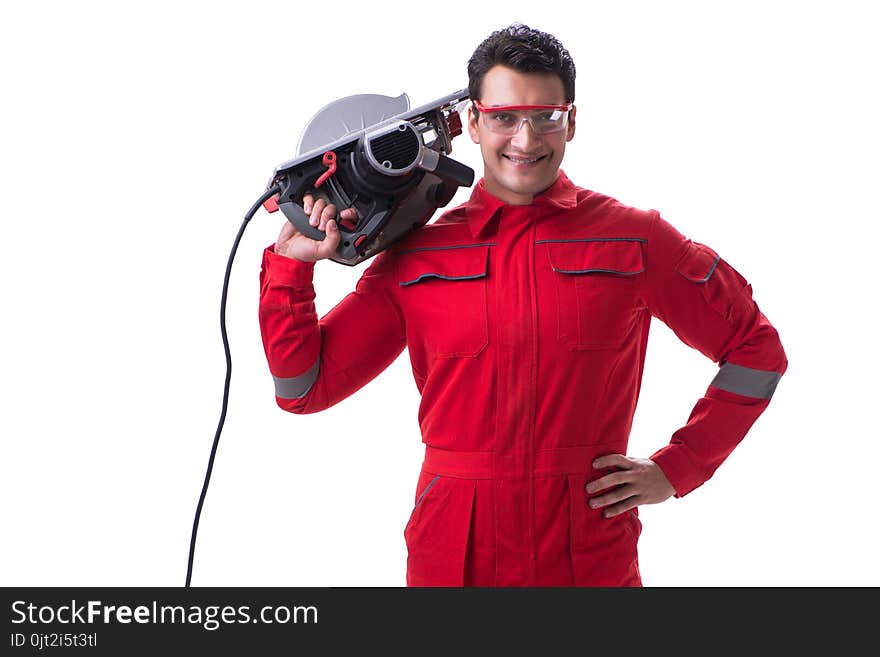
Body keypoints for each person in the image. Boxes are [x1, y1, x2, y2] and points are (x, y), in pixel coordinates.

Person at [258, 23, 787, 586]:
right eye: (505, 117)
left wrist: (677, 468)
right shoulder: (416, 257)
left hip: (587, 559)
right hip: (454, 558)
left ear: (572, 121)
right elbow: (304, 388)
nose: (525, 140)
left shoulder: (632, 240)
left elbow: (755, 349)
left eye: (545, 117)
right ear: (473, 122)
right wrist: (292, 268)